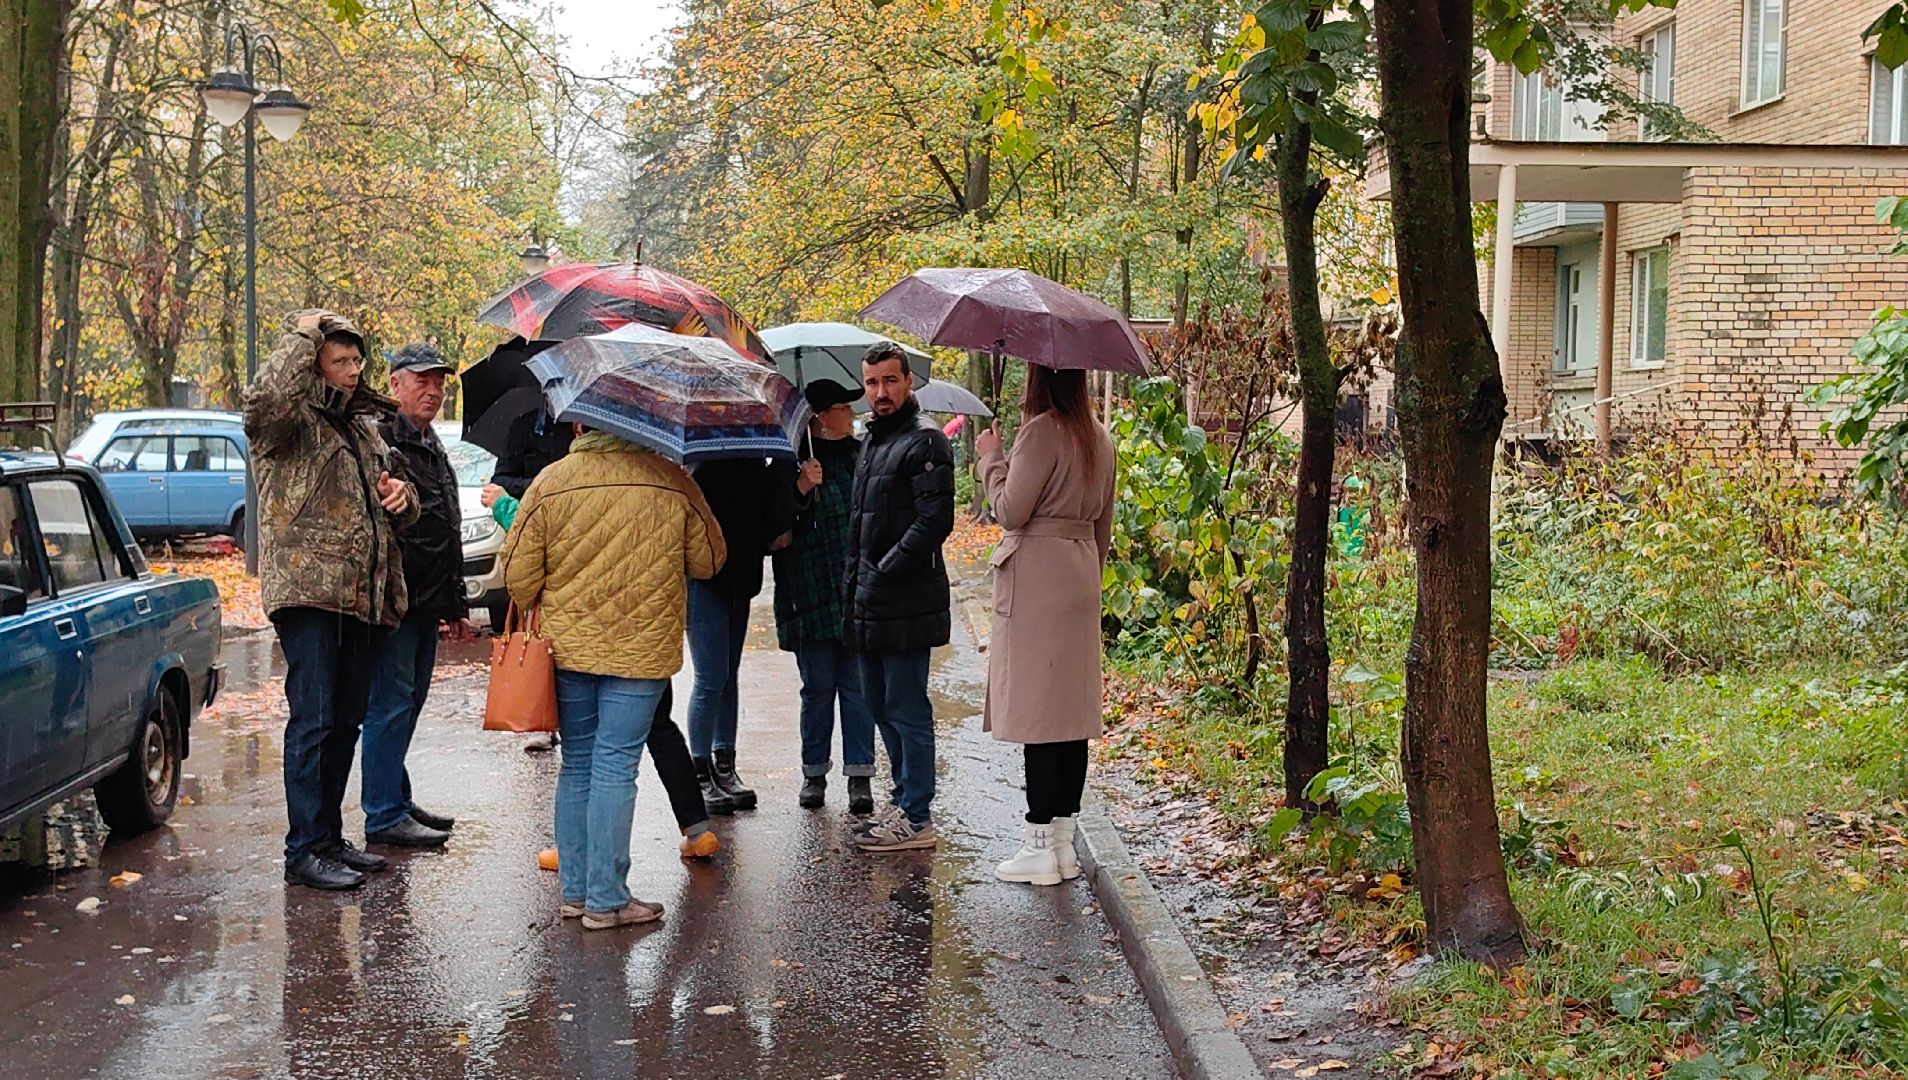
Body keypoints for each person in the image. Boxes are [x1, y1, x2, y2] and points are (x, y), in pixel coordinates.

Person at [502, 426, 725, 929]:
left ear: (580, 426)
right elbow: (710, 561)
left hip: (569, 650)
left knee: (578, 763)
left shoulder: (550, 482)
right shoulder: (672, 481)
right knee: (615, 767)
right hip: (642, 652)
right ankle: (607, 900)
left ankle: (578, 893)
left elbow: (518, 578)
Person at [245, 310, 418, 891]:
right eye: (339, 360)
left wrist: (403, 497)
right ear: (313, 364)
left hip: (362, 594)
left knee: (345, 721)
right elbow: (265, 399)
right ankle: (303, 849)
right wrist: (302, 334)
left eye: (357, 359)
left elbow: (396, 495)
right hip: (308, 590)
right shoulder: (287, 424)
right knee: (314, 721)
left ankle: (327, 838)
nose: (353, 370)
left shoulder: (361, 425)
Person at [976, 365, 1117, 886]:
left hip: (1037, 576)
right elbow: (1104, 524)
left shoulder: (1042, 430)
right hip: (1080, 570)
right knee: (1069, 714)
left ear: (1039, 379)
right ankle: (1061, 843)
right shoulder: (1098, 437)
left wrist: (992, 459)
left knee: (1039, 713)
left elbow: (1011, 510)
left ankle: (1038, 843)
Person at [842, 342, 955, 852]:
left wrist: (885, 571)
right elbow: (859, 528)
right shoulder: (872, 441)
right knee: (880, 705)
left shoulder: (925, 441)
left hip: (906, 599)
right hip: (867, 600)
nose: (880, 392)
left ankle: (916, 814)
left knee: (907, 708)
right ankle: (905, 799)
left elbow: (935, 521)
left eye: (889, 381)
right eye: (871, 383)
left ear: (908, 382)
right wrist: (856, 584)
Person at [360, 343, 465, 851]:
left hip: (427, 601)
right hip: (396, 601)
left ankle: (395, 798)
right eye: (422, 380)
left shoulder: (429, 440)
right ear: (395, 383)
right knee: (390, 704)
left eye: (440, 382)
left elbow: (445, 525)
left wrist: (455, 603)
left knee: (409, 702)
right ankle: (382, 813)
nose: (434, 390)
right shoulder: (384, 437)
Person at [771, 380, 876, 813]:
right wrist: (799, 488)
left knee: (856, 687)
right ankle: (814, 774)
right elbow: (772, 531)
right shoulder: (786, 462)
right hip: (808, 591)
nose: (851, 414)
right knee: (816, 688)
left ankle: (860, 778)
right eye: (842, 408)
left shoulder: (861, 457)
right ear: (819, 416)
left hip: (854, 592)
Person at [684, 455, 798, 814]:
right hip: (705, 582)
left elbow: (771, 527)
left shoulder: (758, 470)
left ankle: (724, 763)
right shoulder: (699, 472)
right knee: (710, 677)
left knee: (727, 674)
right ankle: (699, 771)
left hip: (741, 580)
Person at [491, 406, 573, 753]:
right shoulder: (524, 424)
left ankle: (566, 720)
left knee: (568, 643)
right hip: (532, 535)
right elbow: (501, 479)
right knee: (536, 633)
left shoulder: (580, 425)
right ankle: (541, 717)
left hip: (571, 539)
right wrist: (537, 486)